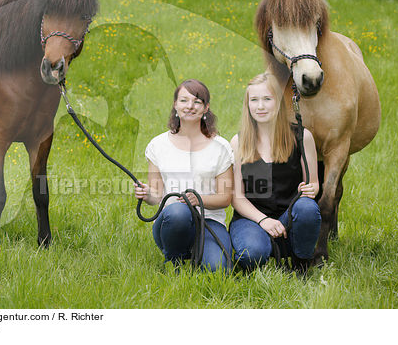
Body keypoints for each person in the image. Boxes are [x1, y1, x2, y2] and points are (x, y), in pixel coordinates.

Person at [134, 79, 234, 272]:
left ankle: (201, 251)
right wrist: (147, 195)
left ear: (206, 108)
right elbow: (156, 196)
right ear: (175, 105)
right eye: (184, 100)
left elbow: (225, 198)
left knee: (217, 269)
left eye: (197, 101)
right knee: (178, 212)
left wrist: (199, 199)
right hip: (172, 220)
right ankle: (174, 260)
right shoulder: (158, 145)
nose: (190, 106)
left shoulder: (221, 147)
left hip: (209, 221)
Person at [229, 72, 321, 274]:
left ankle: (301, 263)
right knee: (251, 254)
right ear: (248, 105)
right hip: (251, 219)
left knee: (307, 208)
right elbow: (237, 197)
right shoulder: (238, 143)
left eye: (267, 99)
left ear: (278, 102)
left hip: (289, 216)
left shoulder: (302, 137)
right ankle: (267, 246)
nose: (260, 106)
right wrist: (263, 221)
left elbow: (313, 184)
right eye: (254, 100)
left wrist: (309, 190)